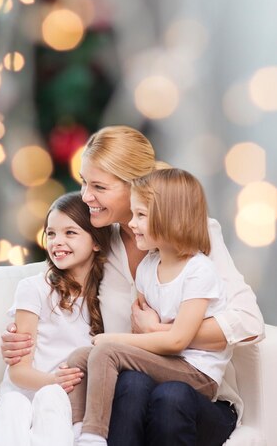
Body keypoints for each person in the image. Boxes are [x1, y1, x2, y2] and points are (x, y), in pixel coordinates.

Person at [0, 126, 264, 446]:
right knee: (133, 384)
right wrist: (21, 341)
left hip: (195, 399)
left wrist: (162, 331)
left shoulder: (192, 236)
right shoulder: (99, 243)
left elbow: (249, 321)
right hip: (129, 394)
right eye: (84, 183)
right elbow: (53, 287)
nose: (86, 197)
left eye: (98, 186)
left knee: (169, 396)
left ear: (136, 186)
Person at [68, 168, 232, 445]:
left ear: (170, 217)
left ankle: (93, 436)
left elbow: (177, 340)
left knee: (105, 350)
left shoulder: (198, 271)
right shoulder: (148, 267)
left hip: (196, 372)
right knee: (80, 358)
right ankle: (74, 429)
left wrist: (110, 340)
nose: (131, 224)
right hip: (165, 363)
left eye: (140, 215)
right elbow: (142, 336)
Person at [0, 193, 111, 446]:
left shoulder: (108, 295)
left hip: (62, 401)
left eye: (70, 233)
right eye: (51, 234)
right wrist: (54, 381)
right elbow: (19, 372)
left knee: (53, 400)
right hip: (24, 393)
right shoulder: (34, 288)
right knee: (14, 404)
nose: (57, 242)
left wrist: (57, 388)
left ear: (96, 242)